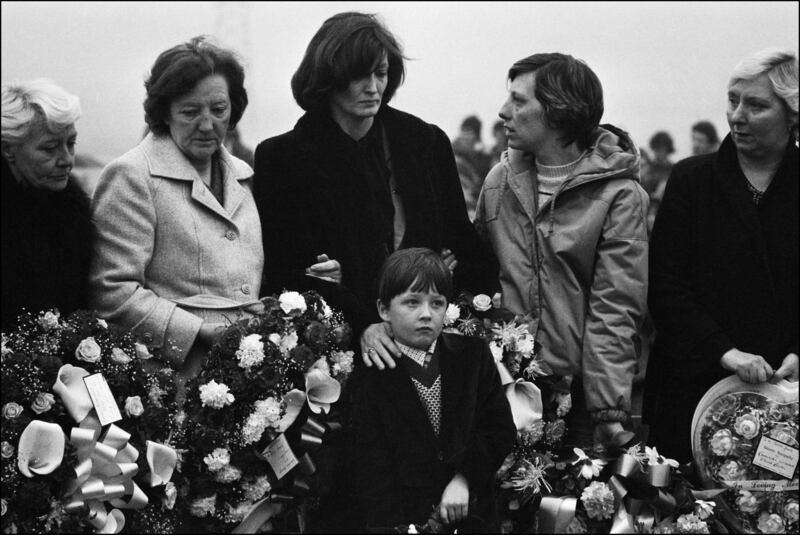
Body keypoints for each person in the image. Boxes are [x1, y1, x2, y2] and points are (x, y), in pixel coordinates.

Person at [253, 12, 496, 362]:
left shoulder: (425, 143)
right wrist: (358, 318)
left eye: (380, 73)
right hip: (338, 351)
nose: (373, 87)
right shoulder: (282, 157)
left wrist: (447, 285)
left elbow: (463, 246)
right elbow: (282, 274)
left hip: (431, 342)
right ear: (328, 78)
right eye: (358, 75)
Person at [473, 53, 649, 450]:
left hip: (582, 404)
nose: (504, 112)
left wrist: (607, 410)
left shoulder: (619, 196)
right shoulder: (500, 181)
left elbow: (616, 308)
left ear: (558, 112)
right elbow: (478, 278)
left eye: (519, 102)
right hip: (502, 389)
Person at [644, 47, 798, 463]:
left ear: (792, 114)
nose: (737, 115)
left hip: (789, 395)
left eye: (756, 105)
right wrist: (724, 351)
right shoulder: (691, 181)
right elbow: (664, 285)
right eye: (733, 100)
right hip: (693, 385)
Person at [89, 36, 263, 379]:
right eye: (189, 111)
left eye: (218, 109)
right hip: (171, 379)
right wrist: (197, 331)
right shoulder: (132, 174)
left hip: (246, 375)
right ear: (163, 112)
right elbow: (112, 293)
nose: (207, 123)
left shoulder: (244, 175)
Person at [353, 247, 515, 531]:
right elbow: (370, 464)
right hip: (405, 518)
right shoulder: (371, 375)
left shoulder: (472, 356)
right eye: (412, 303)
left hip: (471, 513)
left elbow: (498, 427)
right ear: (383, 310)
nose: (426, 314)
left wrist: (466, 477)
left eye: (437, 303)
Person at [1, 79, 90, 330]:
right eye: (50, 148)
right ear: (8, 150)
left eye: (71, 143)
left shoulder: (73, 211)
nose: (67, 160)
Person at [641, 130, 675, 229]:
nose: (657, 153)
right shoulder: (648, 168)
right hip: (646, 210)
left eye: (661, 149)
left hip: (665, 212)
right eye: (656, 149)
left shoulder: (673, 169)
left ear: (667, 149)